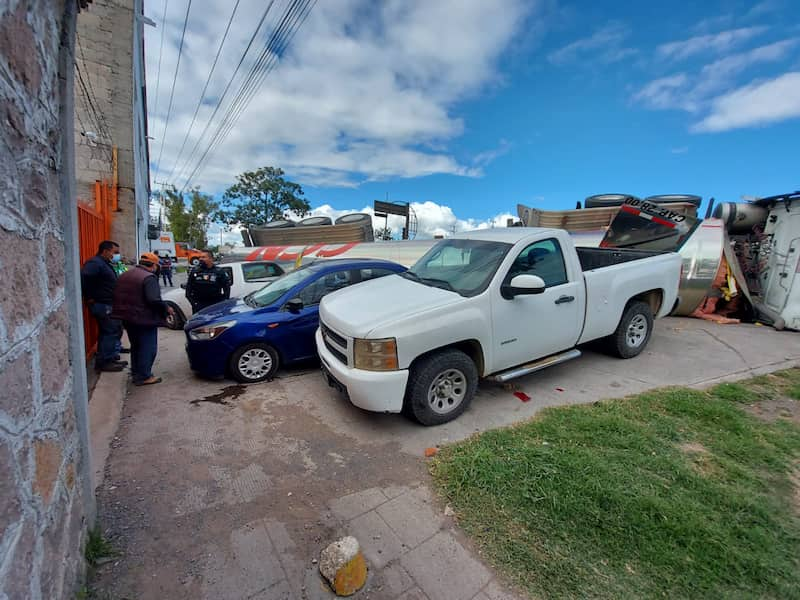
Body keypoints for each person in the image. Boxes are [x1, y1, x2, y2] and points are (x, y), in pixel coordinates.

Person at [111, 252, 174, 386]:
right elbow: (153, 299)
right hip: (144, 319)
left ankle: (136, 372)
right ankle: (144, 376)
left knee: (136, 347)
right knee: (147, 348)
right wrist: (166, 308)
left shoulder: (125, 275)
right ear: (154, 265)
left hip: (127, 317)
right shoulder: (149, 278)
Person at [80, 240, 128, 372]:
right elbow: (85, 277)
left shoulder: (105, 263)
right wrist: (89, 297)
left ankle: (110, 357)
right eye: (115, 252)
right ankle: (104, 362)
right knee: (109, 332)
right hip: (102, 305)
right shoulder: (95, 264)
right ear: (105, 251)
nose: (117, 255)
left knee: (113, 331)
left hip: (109, 303)